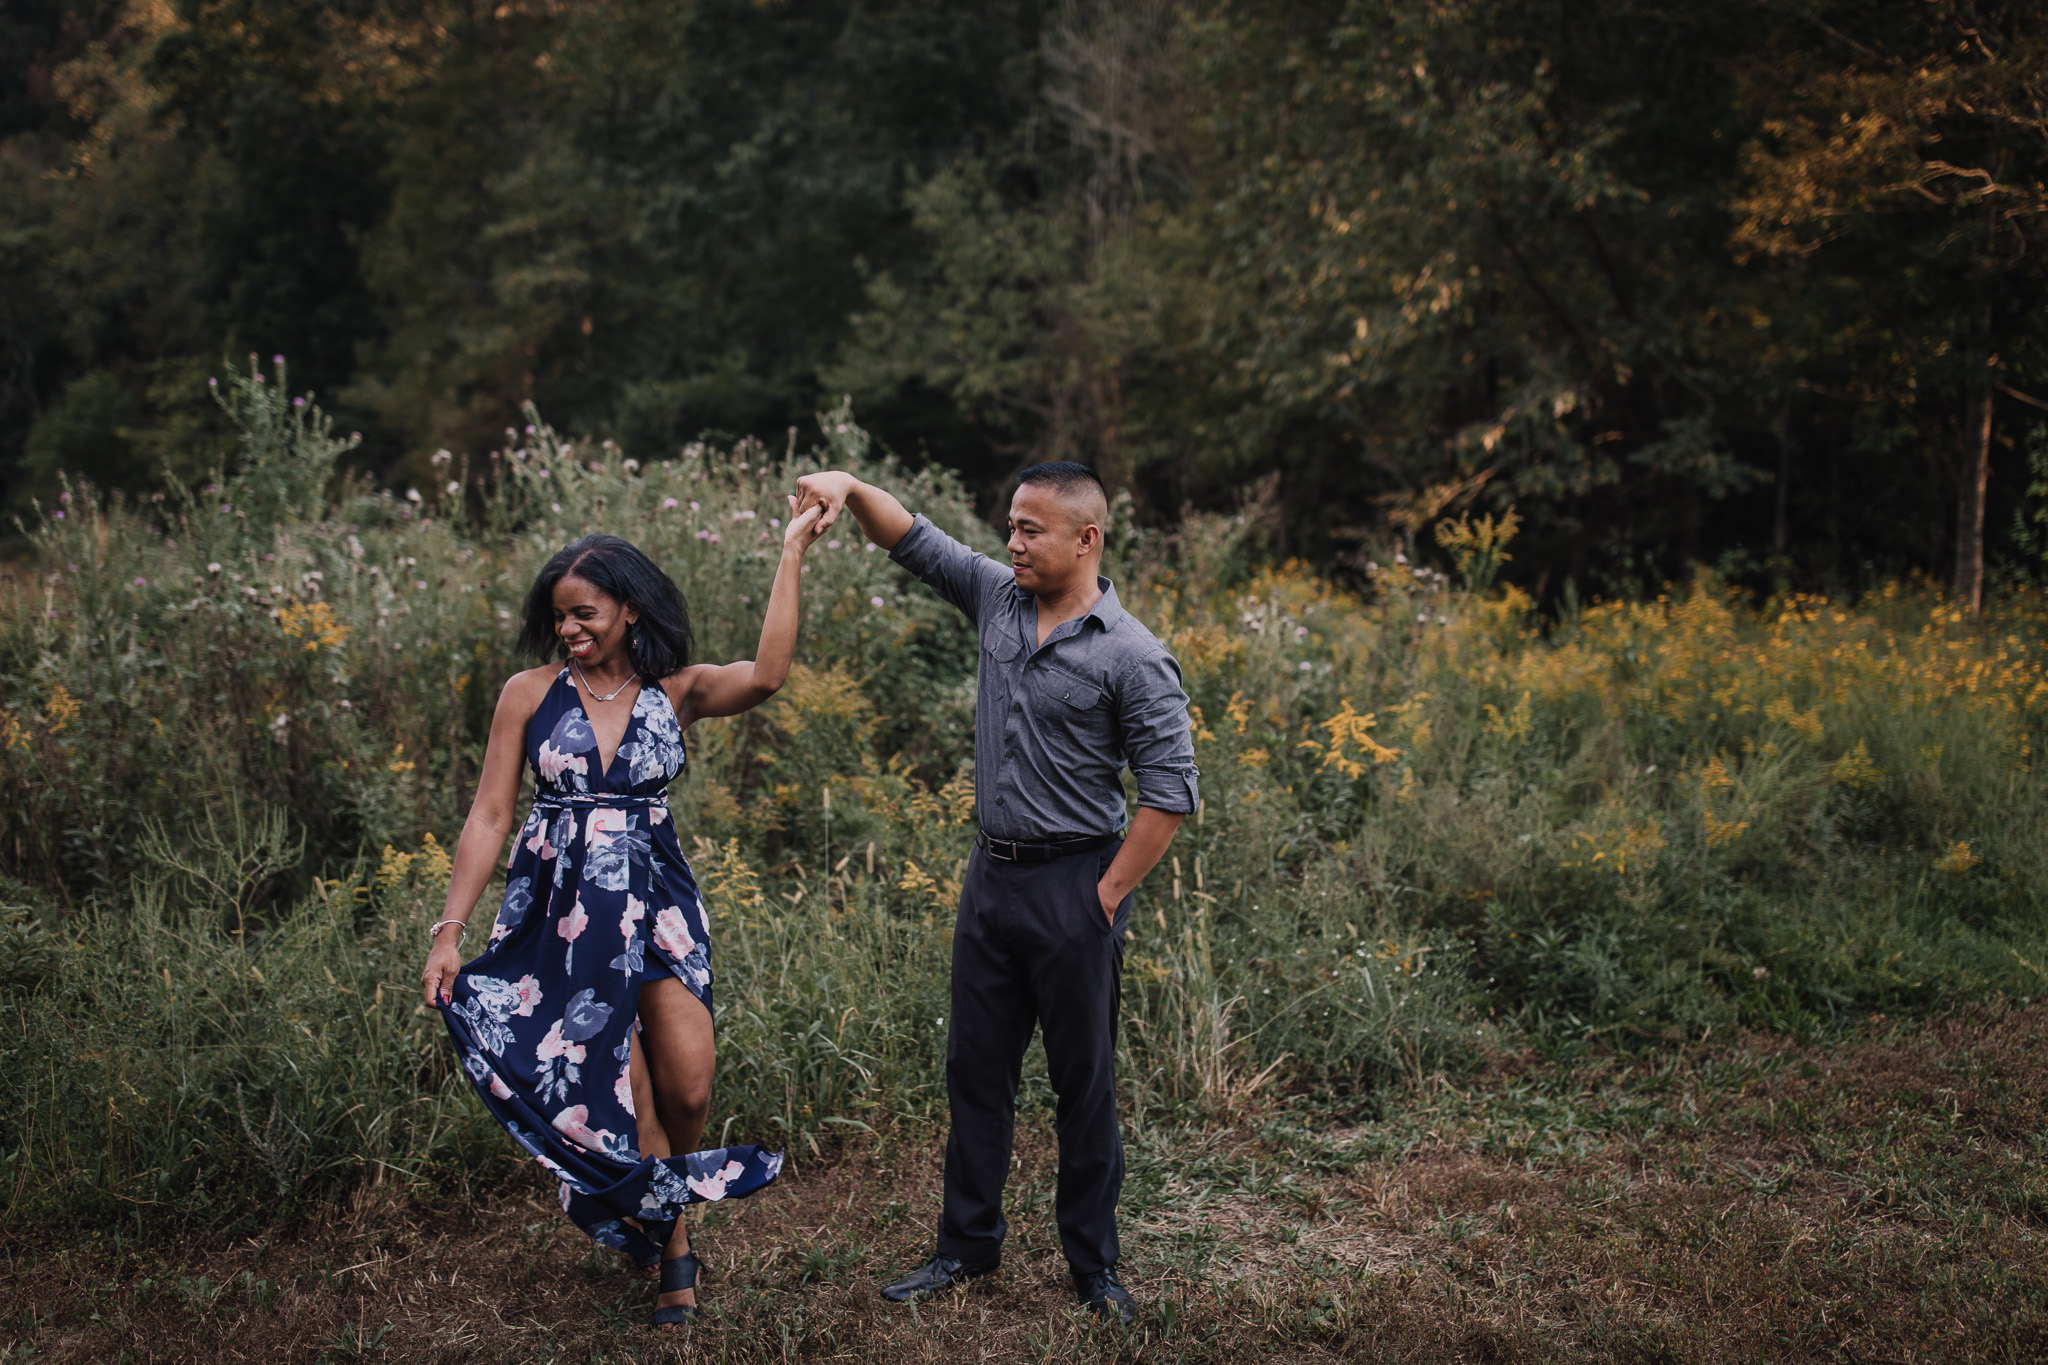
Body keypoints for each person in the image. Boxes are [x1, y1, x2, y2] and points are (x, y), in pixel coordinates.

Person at [792, 461, 1197, 1325]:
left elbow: (1169, 793)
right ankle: (965, 1248)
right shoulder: (997, 600)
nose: (1010, 542)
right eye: (1009, 525)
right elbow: (913, 539)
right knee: (975, 1075)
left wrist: (1105, 897)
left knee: (1082, 1086)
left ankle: (1094, 1267)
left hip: (1074, 887)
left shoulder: (1134, 654)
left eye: (1030, 529)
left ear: (1086, 538)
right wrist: (849, 485)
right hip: (991, 880)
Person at [420, 505, 826, 1330]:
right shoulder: (527, 696)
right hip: (563, 916)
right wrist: (450, 930)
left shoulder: (676, 691)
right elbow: (490, 815)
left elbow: (770, 674)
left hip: (659, 906)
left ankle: (655, 1198)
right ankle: (673, 1243)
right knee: (621, 1085)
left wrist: (791, 552)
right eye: (560, 615)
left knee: (688, 1081)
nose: (568, 628)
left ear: (628, 610)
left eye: (584, 613)